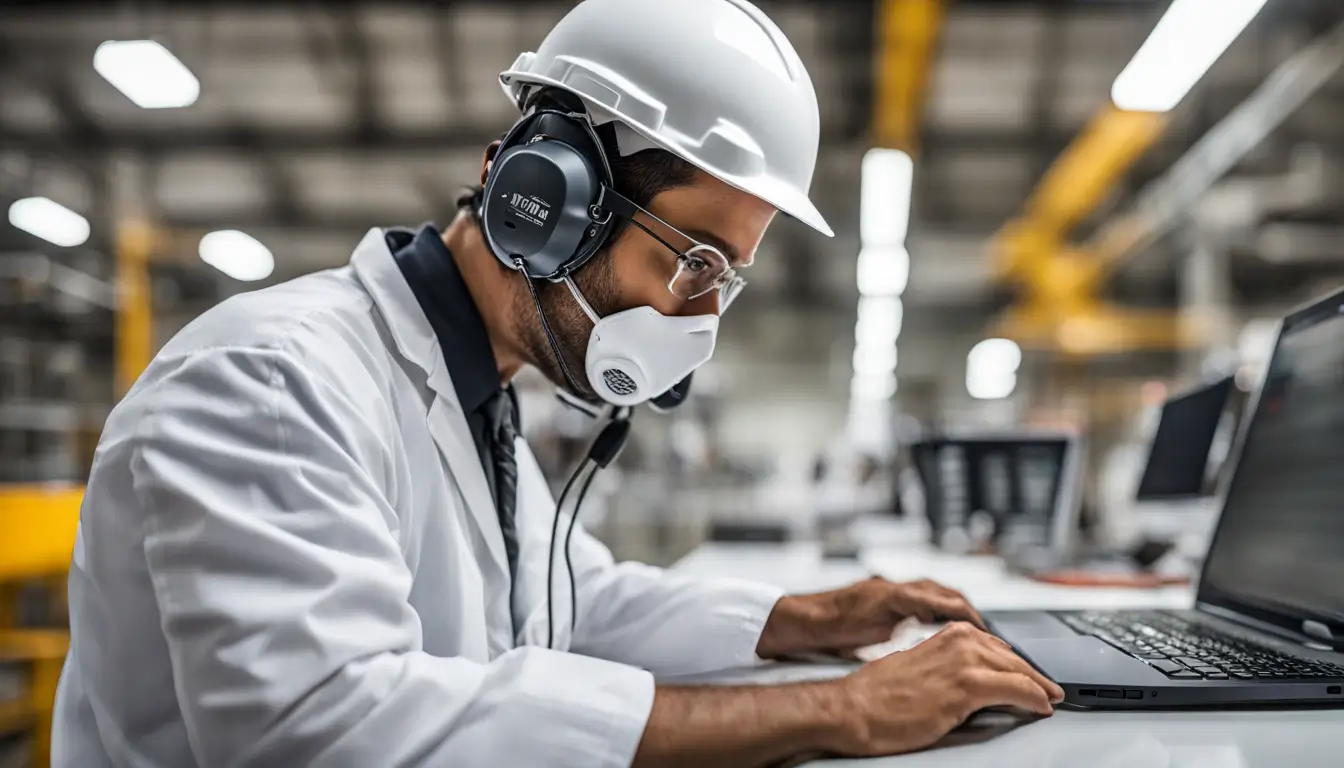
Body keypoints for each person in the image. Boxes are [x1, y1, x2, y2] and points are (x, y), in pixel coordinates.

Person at [53, 1, 1062, 766]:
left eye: (727, 280)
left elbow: (569, 601)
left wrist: (815, 618)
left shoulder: (480, 393)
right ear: (545, 202)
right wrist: (844, 708)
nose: (702, 319)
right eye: (694, 261)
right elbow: (334, 731)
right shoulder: (273, 383)